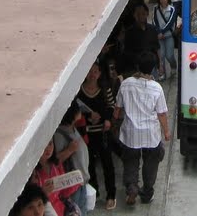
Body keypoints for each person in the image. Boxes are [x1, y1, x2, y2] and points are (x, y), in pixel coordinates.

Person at [114, 51, 170, 206]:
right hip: (150, 135)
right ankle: (146, 193)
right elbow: (162, 113)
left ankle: (132, 188)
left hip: (130, 133)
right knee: (151, 164)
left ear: (137, 66)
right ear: (152, 68)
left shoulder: (125, 84)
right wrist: (166, 132)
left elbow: (117, 109)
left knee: (130, 162)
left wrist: (114, 122)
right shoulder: (156, 88)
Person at [77, 62, 116, 211]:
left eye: (95, 71)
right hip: (86, 133)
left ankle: (111, 195)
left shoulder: (104, 89)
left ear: (99, 73)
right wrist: (88, 116)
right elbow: (76, 109)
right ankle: (94, 191)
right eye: (89, 71)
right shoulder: (79, 91)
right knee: (89, 164)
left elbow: (111, 106)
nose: (92, 74)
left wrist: (106, 118)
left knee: (107, 164)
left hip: (102, 132)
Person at [53, 101, 90, 216]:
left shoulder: (71, 129)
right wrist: (69, 150)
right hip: (72, 185)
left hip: (80, 181)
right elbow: (55, 161)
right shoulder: (60, 134)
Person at [31, 140, 81, 216]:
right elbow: (30, 201)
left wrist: (74, 183)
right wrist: (43, 193)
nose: (48, 149)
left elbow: (62, 193)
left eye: (50, 144)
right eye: (43, 145)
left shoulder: (56, 165)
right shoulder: (32, 173)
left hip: (62, 210)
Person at [152, 0, 178, 80]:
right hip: (159, 36)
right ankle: (162, 73)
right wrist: (158, 32)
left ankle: (174, 67)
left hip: (168, 36)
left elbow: (171, 22)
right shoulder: (156, 9)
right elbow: (154, 21)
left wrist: (162, 32)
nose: (163, 0)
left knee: (169, 55)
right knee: (161, 56)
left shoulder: (172, 9)